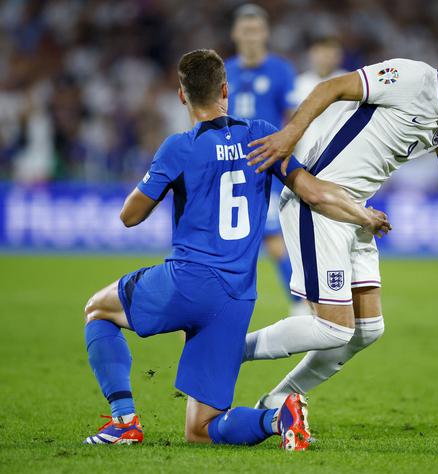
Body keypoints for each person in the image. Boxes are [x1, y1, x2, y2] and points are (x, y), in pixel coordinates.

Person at [81, 49, 390, 449]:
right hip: (235, 298)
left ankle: (124, 422)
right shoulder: (261, 135)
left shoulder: (179, 147)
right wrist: (361, 214)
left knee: (98, 311)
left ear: (181, 96)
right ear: (226, 89)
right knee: (200, 431)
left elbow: (130, 216)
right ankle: (279, 418)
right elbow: (313, 192)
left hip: (187, 282)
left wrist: (160, 174)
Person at [241, 33, 438, 410]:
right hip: (319, 203)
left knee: (367, 330)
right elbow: (331, 87)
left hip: (357, 212)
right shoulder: (408, 77)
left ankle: (278, 401)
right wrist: (289, 136)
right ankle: (225, 351)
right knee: (332, 327)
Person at [225, 4, 304, 313]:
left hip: (267, 168)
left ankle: (300, 305)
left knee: (273, 241)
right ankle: (214, 309)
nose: (252, 37)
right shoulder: (225, 71)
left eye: (257, 30)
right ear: (235, 33)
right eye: (246, 30)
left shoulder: (281, 70)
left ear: (266, 33)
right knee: (229, 244)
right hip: (230, 169)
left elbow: (293, 119)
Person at [291, 35, 347, 159]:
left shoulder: (348, 81)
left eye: (331, 53)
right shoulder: (299, 83)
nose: (325, 58)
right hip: (305, 153)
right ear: (311, 54)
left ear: (339, 56)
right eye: (321, 52)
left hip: (339, 155)